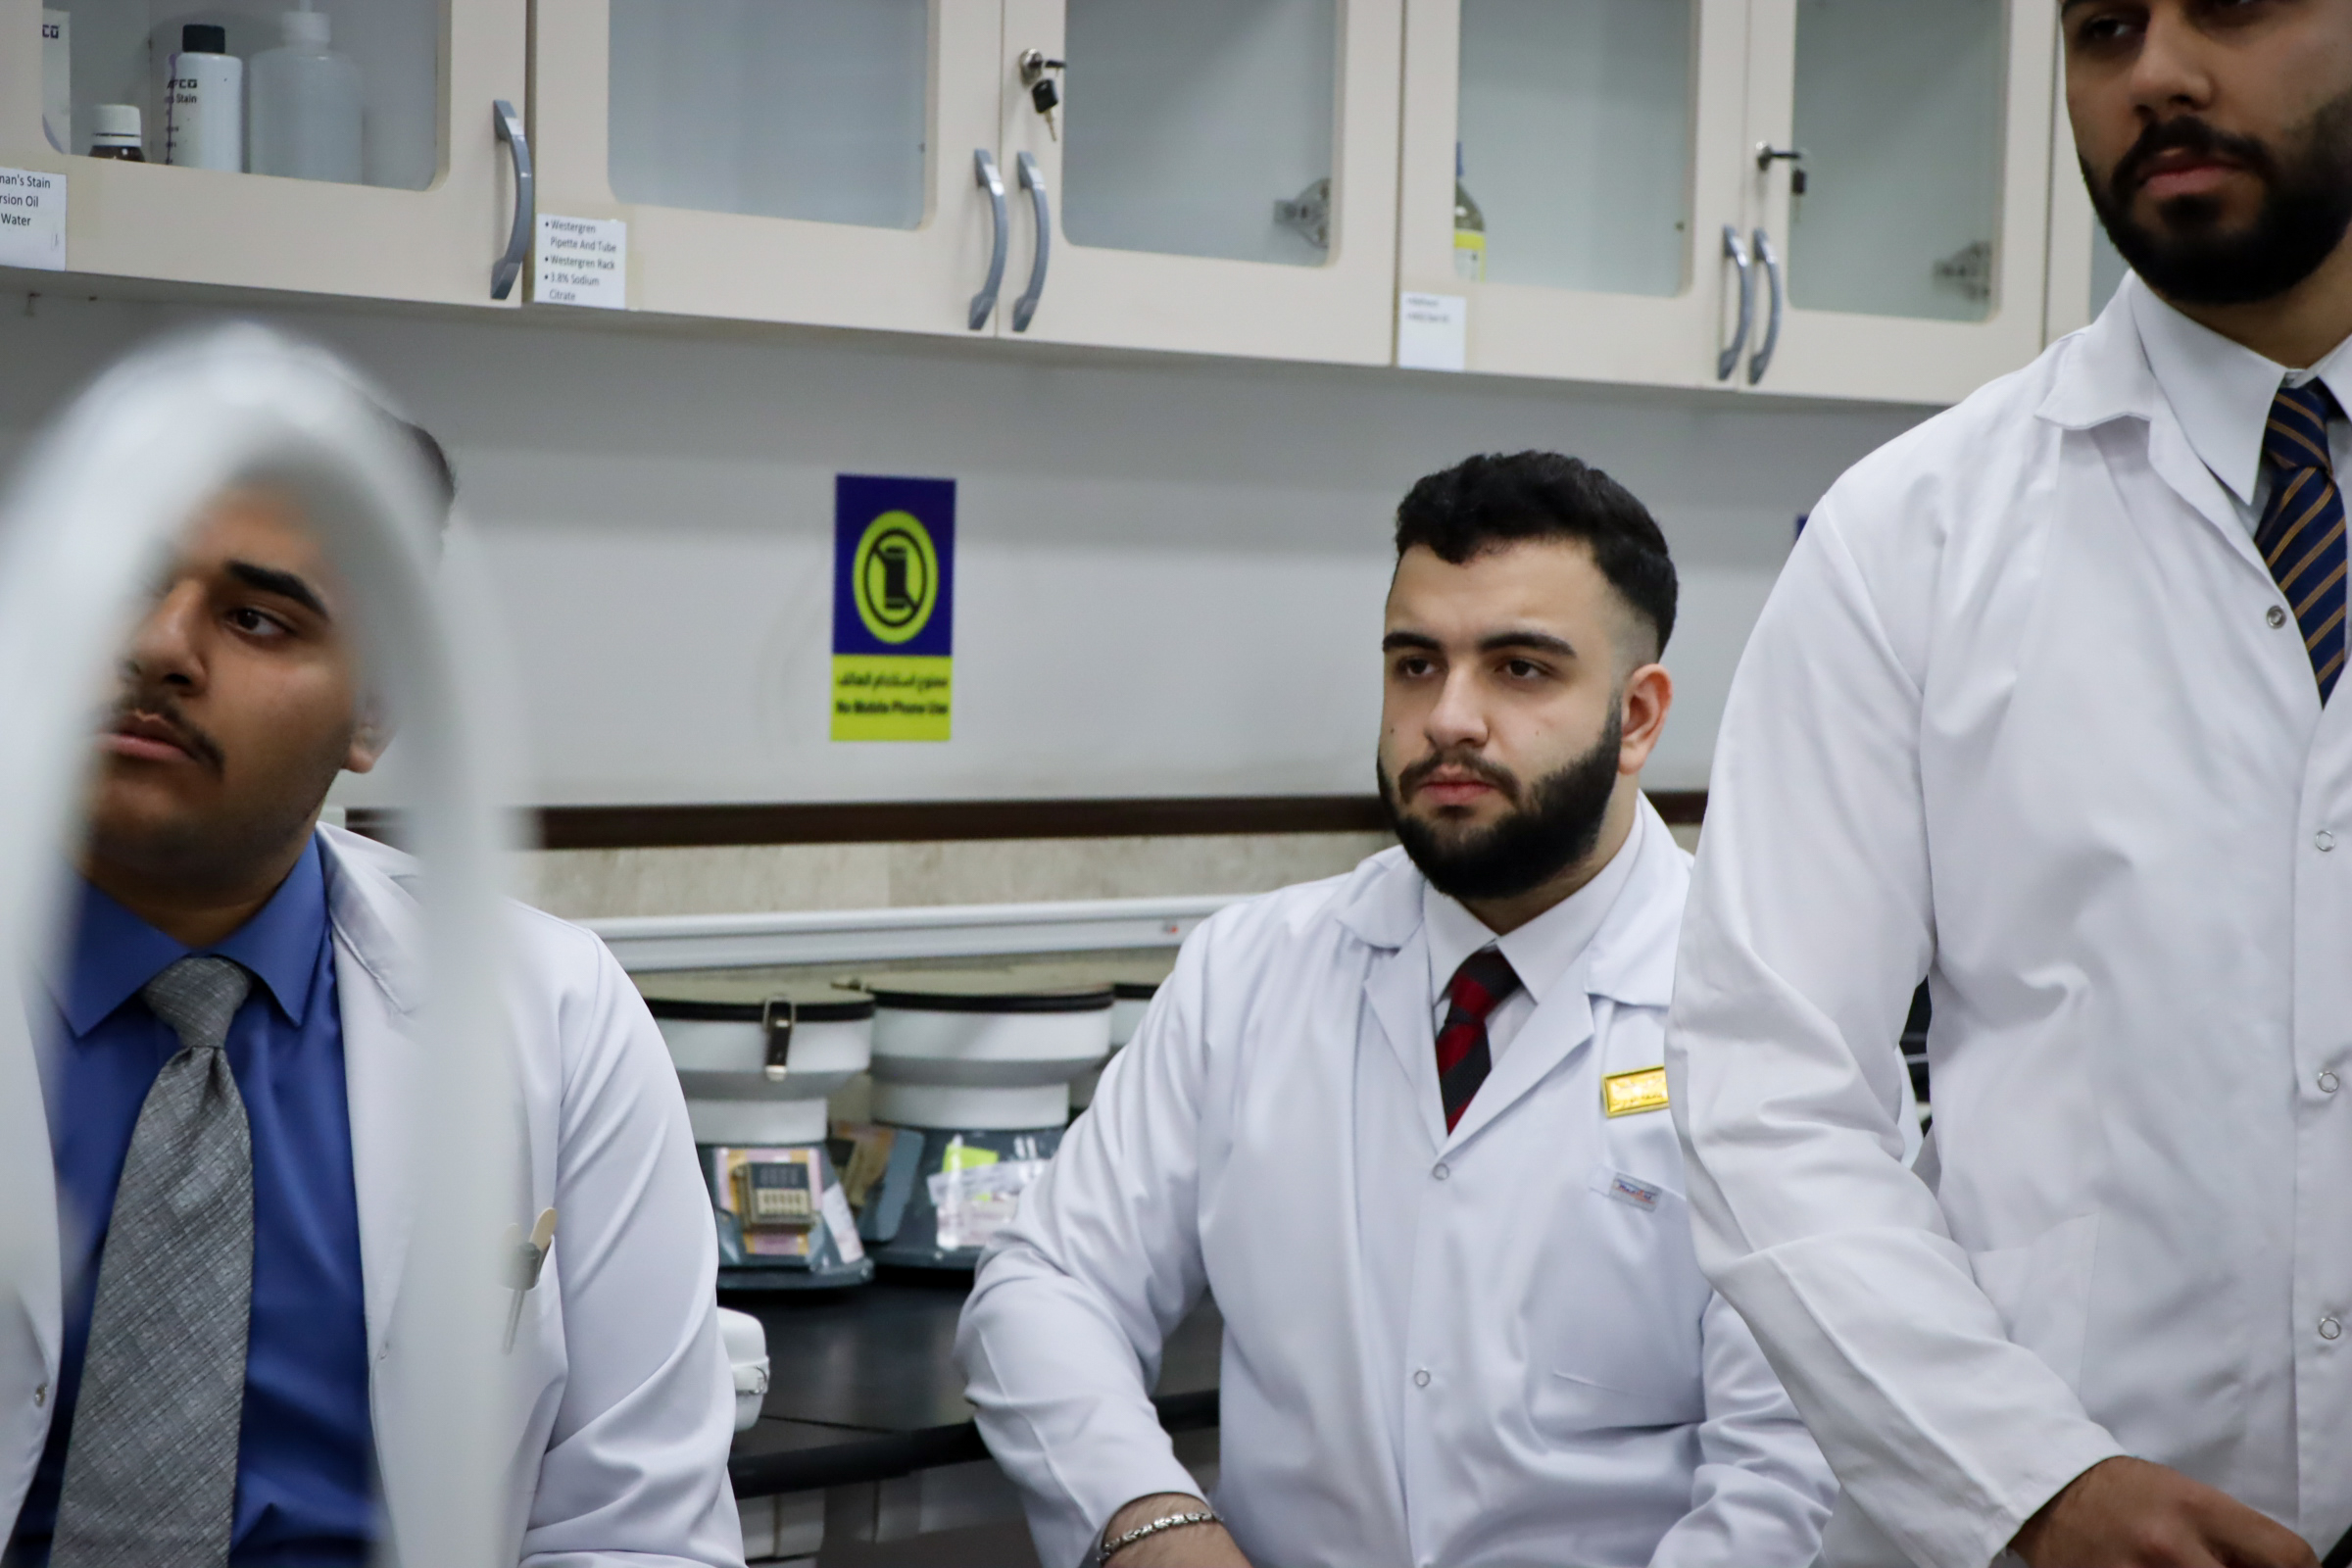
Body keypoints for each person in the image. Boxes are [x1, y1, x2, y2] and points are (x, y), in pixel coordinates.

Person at [1665, 4, 2352, 1565]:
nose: (2156, 71)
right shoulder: (1904, 537)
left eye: (2231, 3)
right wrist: (2027, 1483)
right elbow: (1767, 1089)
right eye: (2103, 26)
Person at [956, 452, 1836, 1568]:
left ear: (1637, 717)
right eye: (1416, 665)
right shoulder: (1252, 972)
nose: (1449, 718)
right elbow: (1046, 1284)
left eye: (1520, 668)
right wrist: (1155, 1524)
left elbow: (1794, 1473)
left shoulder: (1763, 1016)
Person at [1, 429, 744, 1565]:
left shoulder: (554, 1013)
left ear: (375, 713)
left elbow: (639, 1528)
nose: (156, 648)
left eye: (258, 618)